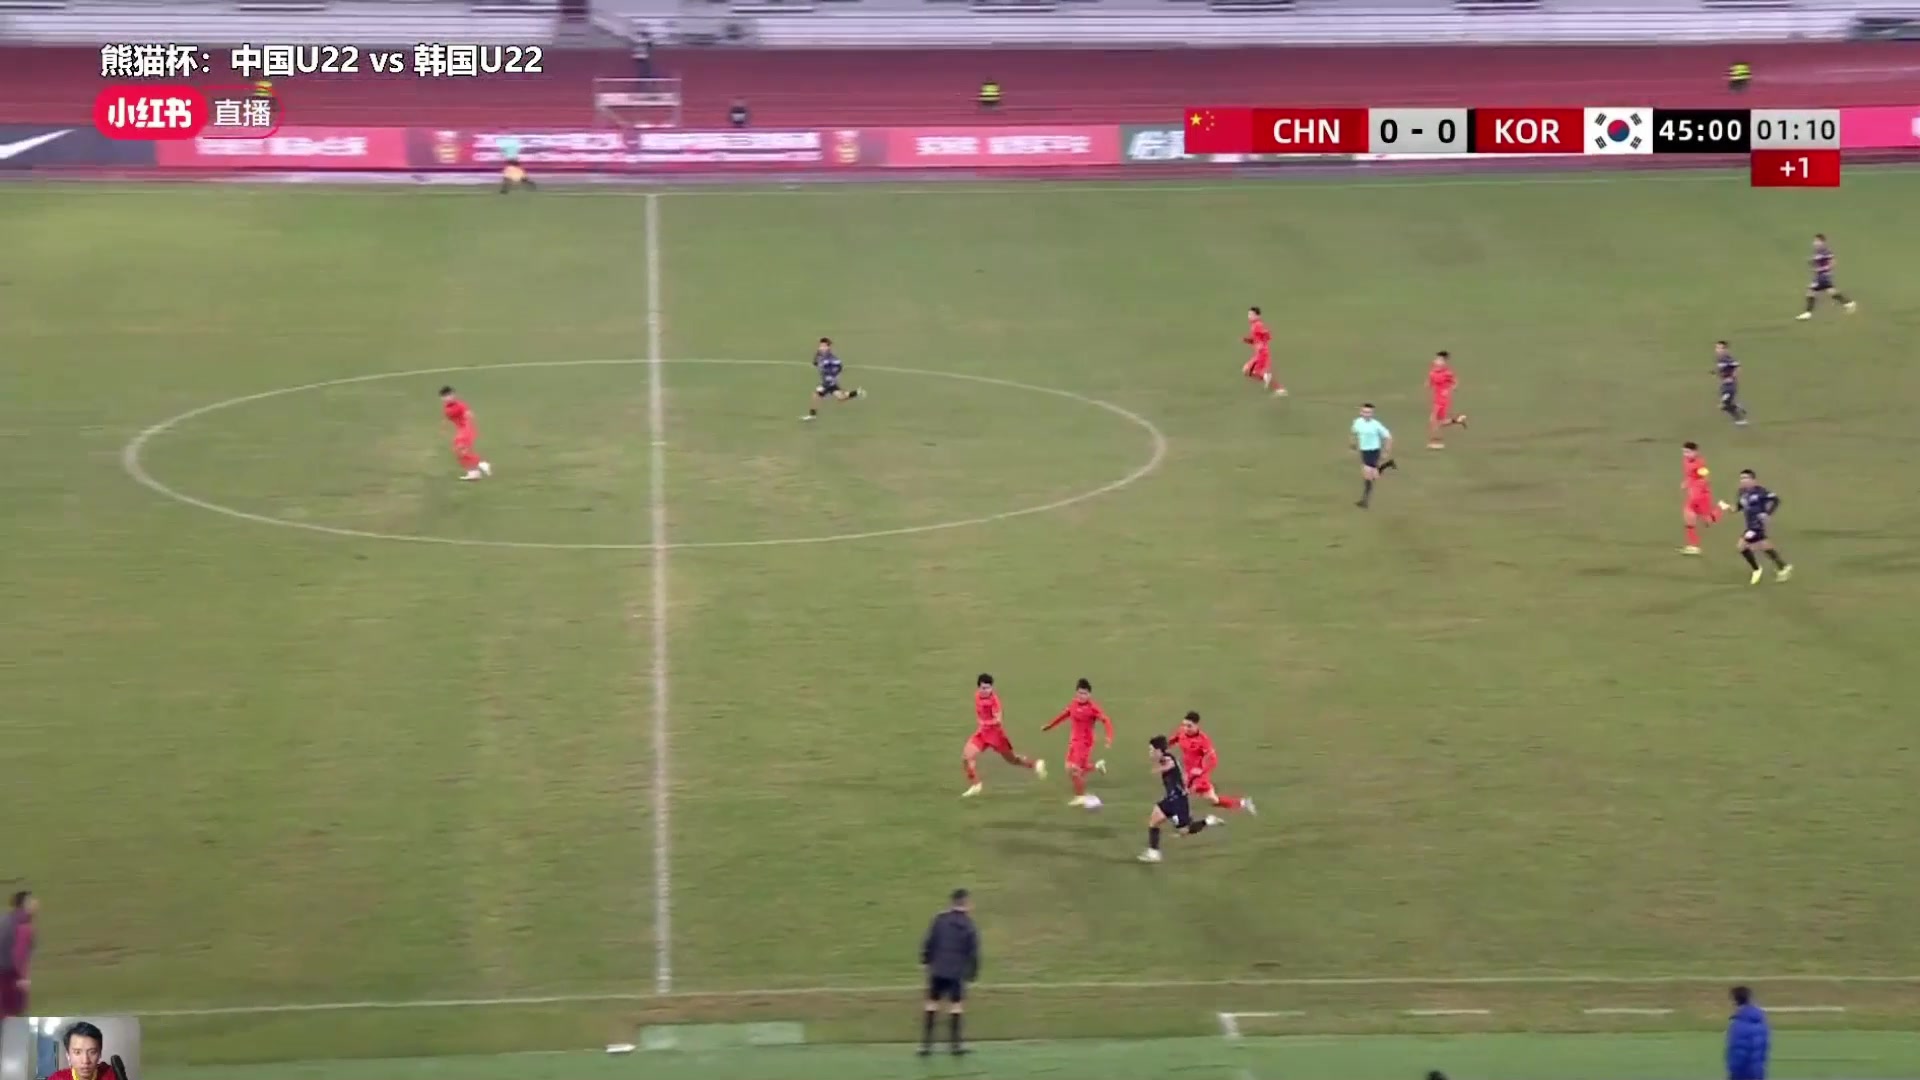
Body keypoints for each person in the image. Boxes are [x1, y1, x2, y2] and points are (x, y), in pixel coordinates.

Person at [1138, 735, 1224, 863]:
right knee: (1153, 821)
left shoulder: (1167, 758)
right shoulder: (1163, 758)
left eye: (1151, 750)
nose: (1150, 752)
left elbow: (1170, 764)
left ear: (1159, 750)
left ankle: (1208, 821)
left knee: (1184, 830)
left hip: (1179, 800)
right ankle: (1154, 853)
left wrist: (1159, 769)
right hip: (1170, 798)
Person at [918, 888, 980, 1057]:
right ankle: (955, 1045)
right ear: (966, 903)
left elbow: (930, 941)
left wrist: (925, 960)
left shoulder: (940, 920)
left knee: (932, 1003)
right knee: (956, 1005)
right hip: (956, 971)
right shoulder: (968, 925)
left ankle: (926, 1045)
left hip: (938, 969)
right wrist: (973, 972)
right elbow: (973, 951)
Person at [962, 674, 1045, 797]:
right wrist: (982, 724)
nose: (986, 691)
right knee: (966, 757)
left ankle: (1035, 764)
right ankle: (976, 785)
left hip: (996, 736)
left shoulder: (994, 701)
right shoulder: (977, 695)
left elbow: (998, 720)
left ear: (992, 687)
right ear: (978, 687)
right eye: (983, 688)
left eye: (988, 688)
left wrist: (985, 722)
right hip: (982, 734)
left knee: (1012, 760)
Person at [1042, 677, 1114, 807]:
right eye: (1080, 693)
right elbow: (1064, 715)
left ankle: (1081, 797)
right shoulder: (1073, 704)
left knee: (1074, 770)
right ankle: (1097, 766)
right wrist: (1050, 725)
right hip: (1074, 741)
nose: (1082, 696)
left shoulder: (1093, 708)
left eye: (1085, 693)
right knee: (1070, 768)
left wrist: (1109, 737)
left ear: (1089, 694)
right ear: (1076, 693)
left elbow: (1106, 721)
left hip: (1085, 743)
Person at [1169, 711, 1254, 815]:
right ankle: (1242, 803)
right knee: (1212, 799)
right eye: (1184, 725)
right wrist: (1163, 750)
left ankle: (1178, 817)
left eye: (1189, 726)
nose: (1186, 728)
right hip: (1187, 770)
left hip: (1199, 774)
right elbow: (1171, 741)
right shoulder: (1181, 732)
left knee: (1184, 793)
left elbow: (1212, 759)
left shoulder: (1203, 740)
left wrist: (1201, 770)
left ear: (1196, 725)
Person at [1726, 470, 1792, 585]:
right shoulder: (1741, 492)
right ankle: (1783, 567)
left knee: (1741, 546)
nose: (1743, 480)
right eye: (1741, 478)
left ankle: (1756, 569)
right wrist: (1732, 509)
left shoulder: (1761, 491)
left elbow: (1776, 500)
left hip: (1757, 524)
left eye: (1746, 478)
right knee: (1763, 545)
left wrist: (1767, 513)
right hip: (1750, 523)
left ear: (1753, 480)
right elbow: (1740, 506)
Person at [803, 337, 863, 421]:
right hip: (828, 382)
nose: (821, 348)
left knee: (816, 395)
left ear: (828, 347)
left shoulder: (832, 359)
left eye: (824, 346)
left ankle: (812, 415)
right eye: (820, 346)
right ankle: (857, 392)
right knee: (841, 397)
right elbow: (815, 363)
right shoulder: (820, 355)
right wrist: (817, 355)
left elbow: (839, 368)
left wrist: (830, 376)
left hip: (828, 382)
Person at [1798, 234, 1856, 320]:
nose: (1814, 243)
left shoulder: (1826, 251)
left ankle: (1808, 313)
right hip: (1820, 276)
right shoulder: (1817, 252)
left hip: (1823, 276)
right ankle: (1849, 303)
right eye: (1814, 241)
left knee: (1811, 291)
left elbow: (1833, 262)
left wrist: (1823, 269)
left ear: (1822, 242)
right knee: (1830, 291)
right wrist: (1811, 262)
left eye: (1817, 241)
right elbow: (1818, 262)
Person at [439, 386, 491, 481]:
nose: (447, 398)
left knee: (460, 449)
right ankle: (474, 473)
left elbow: (469, 414)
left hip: (467, 428)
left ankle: (481, 463)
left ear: (453, 395)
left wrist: (467, 419)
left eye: (449, 395)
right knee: (460, 452)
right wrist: (444, 427)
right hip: (461, 430)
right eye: (445, 396)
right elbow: (447, 418)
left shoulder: (460, 405)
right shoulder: (446, 408)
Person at [1350, 403, 1396, 509]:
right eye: (1365, 412)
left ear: (1372, 413)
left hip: (1374, 451)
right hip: (1364, 451)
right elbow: (1353, 433)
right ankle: (1388, 464)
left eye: (1369, 412)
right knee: (1374, 476)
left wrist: (1386, 451)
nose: (1367, 414)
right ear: (1361, 412)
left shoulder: (1376, 425)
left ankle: (1364, 501)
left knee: (1367, 475)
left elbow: (1388, 437)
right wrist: (1352, 444)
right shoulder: (1357, 422)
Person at [1680, 441, 1721, 555]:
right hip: (1693, 495)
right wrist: (1687, 482)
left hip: (1702, 496)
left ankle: (1720, 509)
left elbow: (1706, 478)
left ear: (1695, 452)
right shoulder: (1685, 461)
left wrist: (1695, 486)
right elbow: (1689, 475)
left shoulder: (1700, 464)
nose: (1686, 454)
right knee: (1688, 516)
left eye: (1688, 452)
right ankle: (1694, 546)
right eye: (1684, 452)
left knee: (1707, 520)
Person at [0, 890, 34, 1018]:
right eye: (30, 901)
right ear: (23, 904)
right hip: (10, 974)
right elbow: (20, 953)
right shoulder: (22, 925)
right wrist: (22, 978)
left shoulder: (5, 919)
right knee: (14, 1013)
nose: (34, 904)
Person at [48, 1021, 120, 1080]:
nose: (85, 1061)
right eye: (77, 1052)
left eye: (92, 1052)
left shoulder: (112, 1075)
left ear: (99, 1054)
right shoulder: (56, 1078)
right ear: (68, 1055)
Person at [1726, 985, 1770, 1080]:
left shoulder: (1739, 1025)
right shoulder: (1761, 1021)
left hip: (1742, 1073)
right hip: (1758, 1071)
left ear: (1735, 1001)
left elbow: (1738, 1053)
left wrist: (1733, 1071)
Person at [1426, 351, 1467, 448]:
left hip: (1442, 399)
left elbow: (1454, 381)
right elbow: (1430, 382)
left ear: (1444, 362)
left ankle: (1435, 442)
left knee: (1433, 420)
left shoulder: (1447, 373)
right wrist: (1429, 383)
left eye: (1439, 360)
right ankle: (1457, 420)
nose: (1436, 361)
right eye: (1436, 359)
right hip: (1437, 398)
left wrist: (1454, 386)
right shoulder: (1433, 372)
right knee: (1441, 422)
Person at [1241, 307, 1282, 395]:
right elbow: (1256, 340)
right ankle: (1278, 389)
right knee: (1247, 371)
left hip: (1261, 353)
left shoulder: (1258, 325)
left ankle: (1274, 385)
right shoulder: (1254, 325)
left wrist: (1262, 344)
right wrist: (1248, 340)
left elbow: (1267, 335)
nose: (1249, 316)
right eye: (1248, 314)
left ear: (1257, 316)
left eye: (1251, 314)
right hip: (1259, 352)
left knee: (1249, 371)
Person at [1713, 341, 1748, 426]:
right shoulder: (1719, 359)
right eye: (1717, 348)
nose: (1718, 350)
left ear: (1726, 349)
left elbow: (1737, 367)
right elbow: (1723, 370)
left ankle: (1740, 420)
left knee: (1725, 403)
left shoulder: (1728, 358)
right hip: (1724, 385)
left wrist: (1732, 377)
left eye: (1721, 348)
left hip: (1730, 385)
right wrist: (1716, 373)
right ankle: (1737, 408)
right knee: (1724, 405)